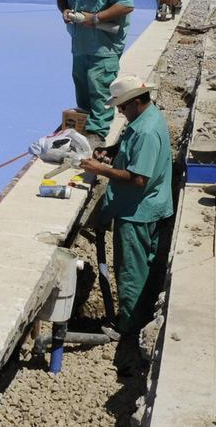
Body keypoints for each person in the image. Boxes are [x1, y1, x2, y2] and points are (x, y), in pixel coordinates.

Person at [79, 75, 173, 336]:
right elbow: (132, 152)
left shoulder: (145, 132)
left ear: (136, 102)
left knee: (131, 273)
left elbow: (138, 178)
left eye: (122, 106)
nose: (119, 111)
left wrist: (101, 169)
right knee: (142, 269)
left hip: (137, 213)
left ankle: (130, 329)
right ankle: (137, 319)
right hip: (149, 207)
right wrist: (111, 151)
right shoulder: (146, 119)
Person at [56, 0, 134, 144]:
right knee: (82, 86)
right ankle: (83, 125)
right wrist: (64, 9)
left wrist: (96, 18)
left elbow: (126, 5)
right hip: (80, 43)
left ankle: (97, 134)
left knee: (99, 87)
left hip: (103, 46)